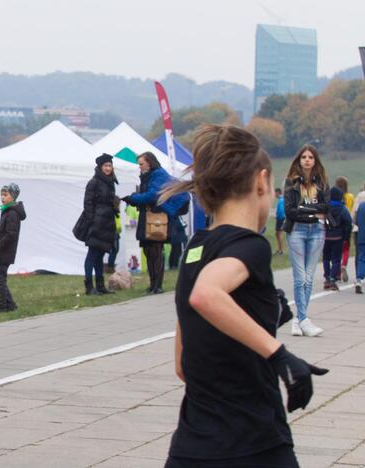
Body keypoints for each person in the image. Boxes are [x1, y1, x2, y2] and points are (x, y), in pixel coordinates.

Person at [162, 125, 328, 468]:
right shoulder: (249, 245)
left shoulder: (195, 248)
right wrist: (278, 354)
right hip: (254, 444)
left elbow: (183, 364)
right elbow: (207, 295)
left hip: (192, 446)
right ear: (261, 181)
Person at [282, 144, 329, 337]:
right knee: (300, 277)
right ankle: (304, 320)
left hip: (318, 232)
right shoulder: (290, 182)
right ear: (299, 160)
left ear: (315, 160)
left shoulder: (322, 183)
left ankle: (298, 320)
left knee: (309, 278)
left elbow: (325, 207)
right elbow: (290, 211)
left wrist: (306, 211)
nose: (307, 160)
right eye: (304, 157)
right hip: (297, 232)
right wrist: (312, 213)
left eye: (311, 157)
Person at [121, 152, 171, 294]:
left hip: (155, 217)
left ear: (150, 162)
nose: (140, 167)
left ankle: (157, 285)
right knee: (148, 250)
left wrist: (134, 198)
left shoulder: (158, 174)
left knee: (155, 250)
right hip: (148, 216)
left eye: (141, 164)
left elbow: (152, 195)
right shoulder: (150, 175)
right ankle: (153, 283)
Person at [79, 153, 118, 295]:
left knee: (100, 255)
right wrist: (91, 220)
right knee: (92, 254)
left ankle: (100, 286)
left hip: (107, 222)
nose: (108, 168)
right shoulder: (94, 182)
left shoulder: (110, 181)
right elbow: (87, 203)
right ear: (100, 167)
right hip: (96, 222)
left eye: (110, 165)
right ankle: (89, 286)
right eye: (105, 166)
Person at [0, 183, 26, 312]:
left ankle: (1, 306)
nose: (2, 197)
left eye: (6, 195)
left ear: (13, 196)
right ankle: (10, 304)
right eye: (2, 195)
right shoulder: (7, 211)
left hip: (5, 252)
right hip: (2, 251)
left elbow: (11, 234)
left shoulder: (12, 214)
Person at [322, 187, 353, 291]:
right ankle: (332, 279)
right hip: (338, 238)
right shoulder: (343, 209)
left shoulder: (326, 208)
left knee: (326, 258)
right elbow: (348, 223)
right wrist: (346, 238)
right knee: (336, 259)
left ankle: (326, 278)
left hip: (326, 237)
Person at [335, 177, 355, 282]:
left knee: (337, 250)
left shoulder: (335, 198)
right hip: (348, 225)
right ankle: (344, 265)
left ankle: (337, 272)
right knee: (346, 249)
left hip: (336, 226)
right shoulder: (350, 196)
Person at [353, 186, 365, 294]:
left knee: (361, 258)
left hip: (362, 235)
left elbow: (355, 221)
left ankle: (359, 279)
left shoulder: (361, 206)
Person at [275, 187, 286, 255]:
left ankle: (281, 250)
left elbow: (281, 211)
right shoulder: (281, 199)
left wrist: (278, 217)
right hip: (280, 219)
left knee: (279, 234)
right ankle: (279, 249)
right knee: (277, 234)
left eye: (275, 193)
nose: (274, 194)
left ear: (278, 192)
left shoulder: (281, 200)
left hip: (280, 219)